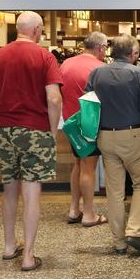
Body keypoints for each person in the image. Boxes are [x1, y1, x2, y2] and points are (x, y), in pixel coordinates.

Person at [0, 11, 62, 271]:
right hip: (35, 129)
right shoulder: (44, 56)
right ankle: (29, 256)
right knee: (32, 191)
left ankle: (9, 245)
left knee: (9, 189)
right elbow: (54, 99)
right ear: (36, 30)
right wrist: (52, 131)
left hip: (4, 129)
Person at [86, 35, 140, 256]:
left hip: (106, 136)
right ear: (132, 54)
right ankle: (134, 231)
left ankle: (118, 242)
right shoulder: (138, 74)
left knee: (115, 190)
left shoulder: (97, 72)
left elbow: (88, 104)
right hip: (134, 135)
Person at [60, 31, 108, 227]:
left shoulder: (66, 64)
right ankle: (88, 214)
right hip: (91, 124)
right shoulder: (100, 68)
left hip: (71, 121)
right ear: (100, 48)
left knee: (78, 164)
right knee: (88, 167)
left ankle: (74, 209)